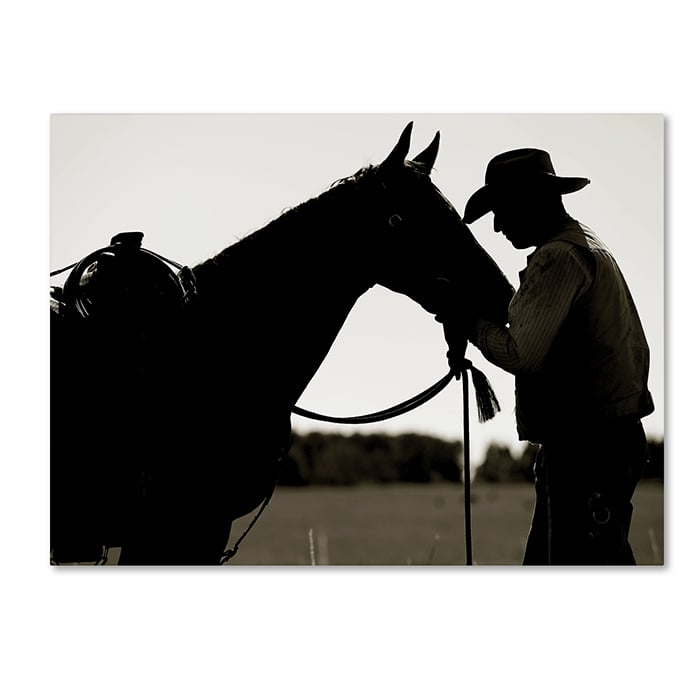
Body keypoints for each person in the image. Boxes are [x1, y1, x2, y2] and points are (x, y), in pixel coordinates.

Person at [443, 148, 655, 565]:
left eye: (502, 210)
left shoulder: (557, 257)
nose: (498, 226)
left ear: (530, 200)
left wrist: (468, 322)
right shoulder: (588, 246)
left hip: (586, 448)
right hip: (603, 442)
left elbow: (522, 354)